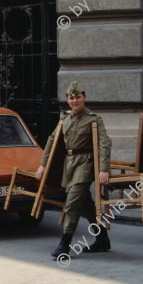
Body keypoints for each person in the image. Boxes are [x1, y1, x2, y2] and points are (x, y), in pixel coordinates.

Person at [35, 81, 112, 258]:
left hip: (85, 163)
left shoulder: (94, 119)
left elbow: (104, 143)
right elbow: (51, 141)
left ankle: (65, 243)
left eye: (78, 97)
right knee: (86, 204)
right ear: (67, 100)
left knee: (72, 202)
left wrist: (104, 169)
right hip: (69, 164)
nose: (74, 101)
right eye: (71, 98)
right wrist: (43, 165)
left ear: (84, 97)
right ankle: (102, 238)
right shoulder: (65, 119)